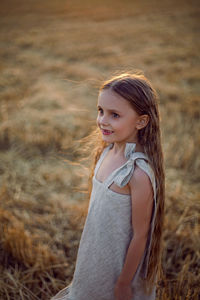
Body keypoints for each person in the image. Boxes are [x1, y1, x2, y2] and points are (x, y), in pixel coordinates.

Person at [51, 72, 165, 300]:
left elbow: (141, 235)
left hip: (120, 268)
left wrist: (124, 283)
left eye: (114, 115)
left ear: (141, 121)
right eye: (100, 111)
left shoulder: (137, 174)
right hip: (96, 256)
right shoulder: (105, 152)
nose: (103, 120)